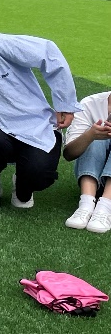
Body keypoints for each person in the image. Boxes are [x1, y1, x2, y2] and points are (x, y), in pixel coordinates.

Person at [0, 34, 81, 210]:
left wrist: (65, 104)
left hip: (36, 126)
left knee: (36, 178)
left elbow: (47, 52)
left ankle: (23, 185)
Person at [63, 90, 111, 233]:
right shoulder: (90, 104)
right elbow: (69, 154)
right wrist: (90, 135)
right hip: (93, 175)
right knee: (95, 133)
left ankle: (105, 207)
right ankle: (86, 204)